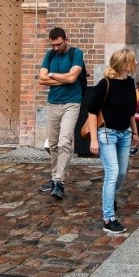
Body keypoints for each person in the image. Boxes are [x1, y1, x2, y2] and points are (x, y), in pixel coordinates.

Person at [86, 49, 139, 236]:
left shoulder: (130, 82)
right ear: (124, 64)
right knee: (112, 173)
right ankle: (108, 218)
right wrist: (94, 139)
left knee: (122, 173)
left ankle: (109, 197)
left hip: (125, 133)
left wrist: (134, 132)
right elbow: (92, 112)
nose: (135, 64)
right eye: (133, 61)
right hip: (107, 134)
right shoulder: (105, 84)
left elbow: (131, 110)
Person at [37, 27, 85, 200]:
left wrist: (52, 75)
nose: (56, 48)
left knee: (65, 141)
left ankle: (59, 181)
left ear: (66, 39)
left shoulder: (76, 53)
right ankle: (53, 177)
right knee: (53, 144)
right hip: (52, 103)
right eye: (53, 45)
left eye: (59, 44)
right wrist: (61, 78)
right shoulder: (50, 55)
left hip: (72, 102)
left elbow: (73, 78)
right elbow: (41, 79)